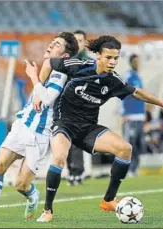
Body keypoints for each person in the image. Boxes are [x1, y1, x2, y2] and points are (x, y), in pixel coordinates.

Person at [27, 35, 163, 223]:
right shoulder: (79, 65)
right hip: (64, 124)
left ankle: (108, 200)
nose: (112, 62)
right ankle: (48, 210)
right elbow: (48, 63)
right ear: (99, 57)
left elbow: (136, 92)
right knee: (60, 157)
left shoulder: (113, 81)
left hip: (89, 129)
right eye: (108, 57)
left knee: (125, 149)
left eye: (116, 58)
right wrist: (39, 91)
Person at [0, 32, 78, 221]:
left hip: (40, 135)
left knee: (21, 185)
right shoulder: (47, 66)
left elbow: (46, 99)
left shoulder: (61, 74)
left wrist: (33, 78)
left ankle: (32, 195)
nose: (51, 44)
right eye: (52, 41)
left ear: (65, 56)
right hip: (22, 125)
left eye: (57, 44)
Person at [66, 30, 94, 186]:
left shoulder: (90, 62)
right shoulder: (67, 61)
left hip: (82, 107)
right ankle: (71, 171)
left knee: (77, 141)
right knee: (66, 142)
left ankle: (77, 172)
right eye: (75, 40)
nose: (78, 43)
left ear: (85, 43)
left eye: (80, 40)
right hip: (66, 107)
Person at [122, 54, 146, 176]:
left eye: (139, 61)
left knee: (138, 143)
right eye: (135, 61)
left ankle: (135, 168)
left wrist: (144, 112)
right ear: (131, 62)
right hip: (130, 116)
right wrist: (124, 113)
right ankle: (129, 169)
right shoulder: (128, 77)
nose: (138, 63)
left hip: (140, 115)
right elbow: (123, 95)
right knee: (130, 144)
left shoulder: (139, 77)